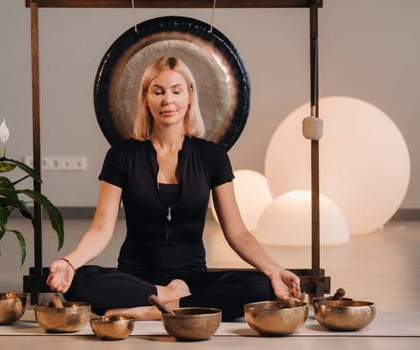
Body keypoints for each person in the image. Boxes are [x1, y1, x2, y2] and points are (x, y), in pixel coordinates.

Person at [46, 56, 300, 320]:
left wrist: (273, 269)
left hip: (191, 278)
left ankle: (151, 312)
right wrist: (69, 262)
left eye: (176, 91)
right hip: (136, 278)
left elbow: (237, 231)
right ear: (145, 98)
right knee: (81, 281)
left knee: (259, 286)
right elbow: (100, 229)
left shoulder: (212, 156)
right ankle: (171, 299)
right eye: (158, 91)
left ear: (190, 96)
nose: (168, 100)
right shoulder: (122, 156)